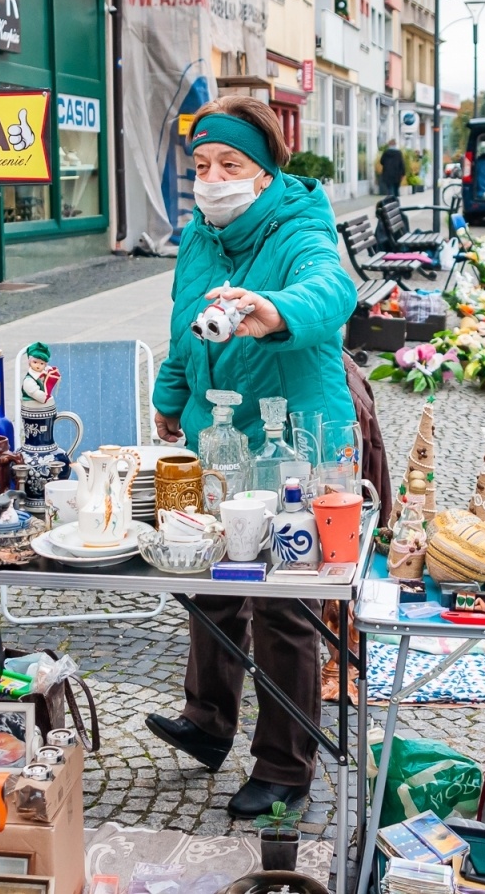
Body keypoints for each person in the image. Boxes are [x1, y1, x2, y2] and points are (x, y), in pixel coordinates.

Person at [147, 96, 357, 818]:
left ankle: (284, 766)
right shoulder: (199, 236)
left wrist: (274, 311)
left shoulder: (301, 223)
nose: (213, 177)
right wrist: (170, 396)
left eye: (230, 164)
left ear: (264, 173)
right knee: (213, 580)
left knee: (282, 604)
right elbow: (182, 325)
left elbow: (332, 290)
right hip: (220, 436)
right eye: (202, 164)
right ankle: (207, 724)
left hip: (297, 438)